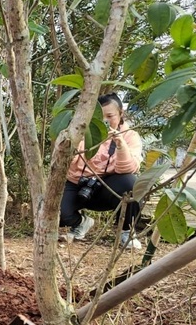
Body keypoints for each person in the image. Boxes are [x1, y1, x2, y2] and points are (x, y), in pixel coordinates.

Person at [59, 92, 143, 249]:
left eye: (110, 116)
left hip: (108, 189)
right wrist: (75, 141)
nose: (105, 121)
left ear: (121, 113)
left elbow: (128, 168)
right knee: (57, 212)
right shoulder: (83, 132)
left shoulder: (130, 136)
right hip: (79, 184)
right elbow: (69, 163)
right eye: (100, 117)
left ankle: (126, 231)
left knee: (131, 183)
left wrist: (120, 144)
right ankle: (82, 223)